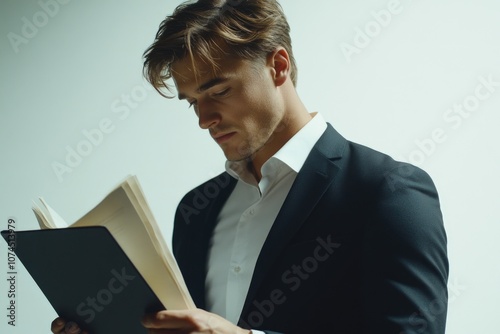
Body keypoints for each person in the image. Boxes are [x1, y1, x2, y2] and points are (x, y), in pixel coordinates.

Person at [51, 0, 449, 333]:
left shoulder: (389, 192)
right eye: (192, 102)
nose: (204, 119)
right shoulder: (195, 211)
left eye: (218, 91)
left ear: (278, 66)